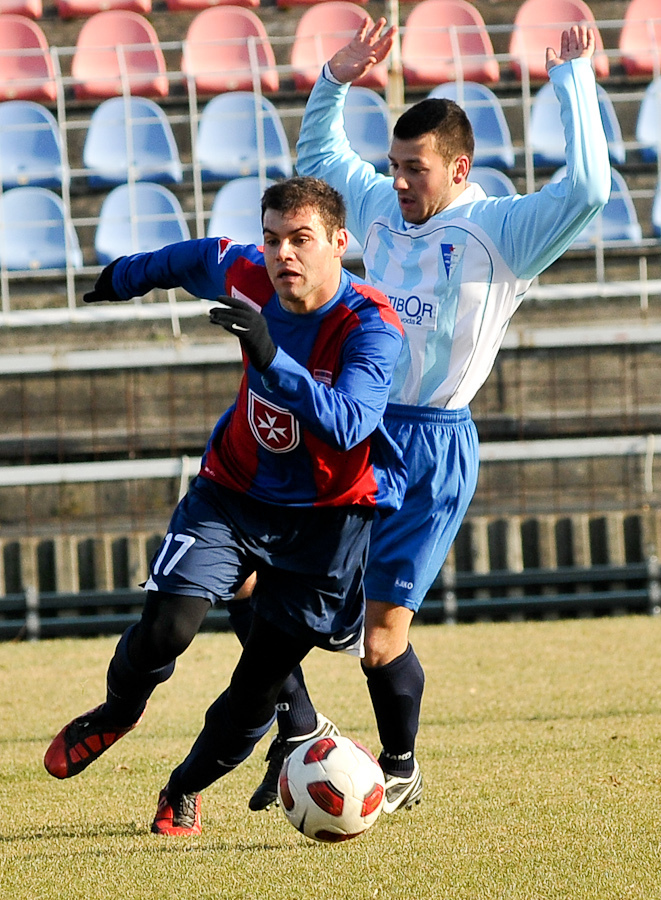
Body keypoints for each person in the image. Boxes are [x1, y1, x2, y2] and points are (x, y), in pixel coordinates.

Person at [238, 21, 611, 814]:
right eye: (395, 165)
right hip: (355, 431)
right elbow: (320, 160)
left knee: (380, 640)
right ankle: (299, 735)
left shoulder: (502, 230)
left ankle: (398, 765)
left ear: (458, 169)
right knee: (262, 590)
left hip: (433, 449)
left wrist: (573, 82)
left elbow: (588, 191)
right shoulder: (378, 206)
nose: (399, 180)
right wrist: (333, 82)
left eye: (417, 168)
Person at [44, 177, 405, 835]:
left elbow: (351, 424)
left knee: (258, 686)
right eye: (272, 239)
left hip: (327, 521)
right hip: (233, 492)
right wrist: (123, 278)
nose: (283, 254)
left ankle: (183, 787)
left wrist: (271, 356)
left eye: (301, 239)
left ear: (338, 242)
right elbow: (192, 259)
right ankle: (117, 713)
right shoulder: (249, 274)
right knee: (166, 628)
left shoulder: (371, 325)